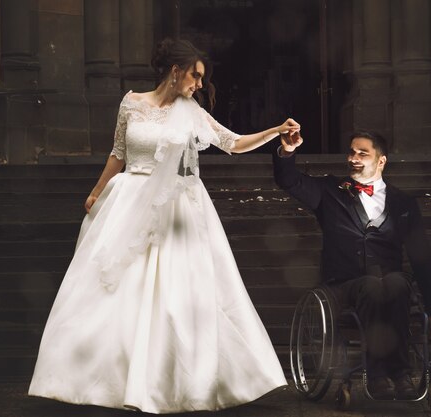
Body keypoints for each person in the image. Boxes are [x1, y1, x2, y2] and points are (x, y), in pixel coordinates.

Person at [28, 38, 298, 413]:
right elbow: (119, 153)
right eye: (196, 76)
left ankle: (166, 383)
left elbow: (232, 143)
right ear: (176, 70)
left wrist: (274, 132)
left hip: (176, 208)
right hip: (127, 201)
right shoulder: (131, 103)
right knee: (115, 292)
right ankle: (101, 382)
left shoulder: (192, 112)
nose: (199, 85)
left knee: (174, 296)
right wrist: (96, 191)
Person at [273, 130, 431, 400]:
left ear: (381, 161)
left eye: (363, 153)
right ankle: (377, 375)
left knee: (398, 283)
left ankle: (399, 374)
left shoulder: (403, 203)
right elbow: (289, 180)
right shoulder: (330, 192)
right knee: (372, 286)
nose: (353, 158)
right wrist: (287, 152)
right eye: (351, 152)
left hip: (391, 283)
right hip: (344, 285)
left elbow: (421, 258)